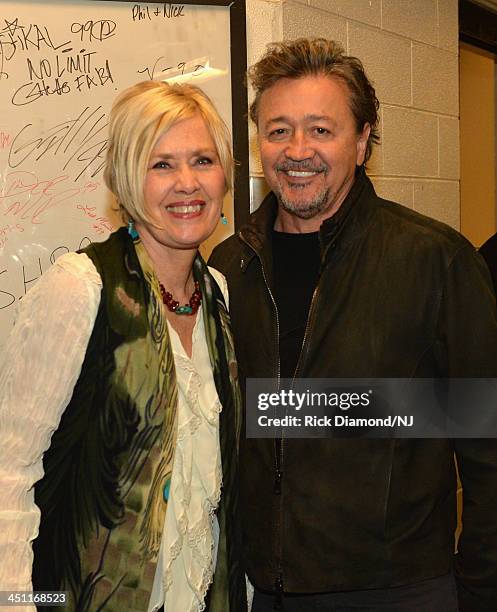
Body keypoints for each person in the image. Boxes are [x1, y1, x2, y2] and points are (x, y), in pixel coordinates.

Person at [209, 38, 497, 611]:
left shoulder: (435, 262)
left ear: (363, 141)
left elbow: (488, 448)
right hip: (265, 592)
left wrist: (480, 590)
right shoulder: (228, 269)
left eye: (321, 130)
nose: (297, 151)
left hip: (400, 591)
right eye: (278, 129)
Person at [0, 80, 247, 612]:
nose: (187, 183)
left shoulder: (219, 294)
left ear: (225, 175)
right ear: (125, 182)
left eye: (203, 160)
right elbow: (10, 469)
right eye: (161, 165)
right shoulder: (82, 287)